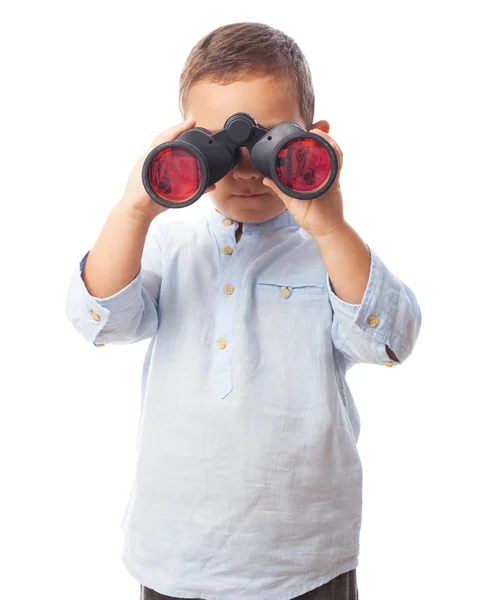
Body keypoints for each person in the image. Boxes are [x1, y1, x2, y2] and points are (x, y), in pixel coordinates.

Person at [65, 22, 422, 600]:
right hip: (175, 558)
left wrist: (328, 224)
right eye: (218, 150)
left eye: (267, 143)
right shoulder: (169, 249)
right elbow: (99, 318)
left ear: (314, 140)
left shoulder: (326, 253)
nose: (246, 168)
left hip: (306, 563)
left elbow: (391, 339)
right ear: (183, 144)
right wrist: (133, 208)